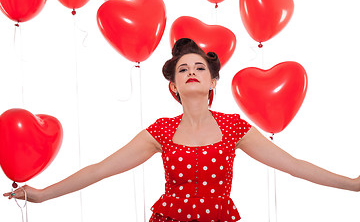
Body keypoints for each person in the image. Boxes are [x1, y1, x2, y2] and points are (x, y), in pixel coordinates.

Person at [3, 38, 360, 222]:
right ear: (173, 86)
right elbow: (101, 169)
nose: (191, 71)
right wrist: (42, 194)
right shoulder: (161, 131)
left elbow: (294, 164)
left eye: (199, 68)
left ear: (212, 82)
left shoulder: (234, 127)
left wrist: (353, 184)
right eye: (183, 69)